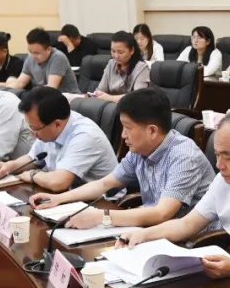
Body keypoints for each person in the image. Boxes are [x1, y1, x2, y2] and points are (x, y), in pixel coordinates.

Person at [120, 112, 230, 279]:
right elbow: (187, 224)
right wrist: (143, 235)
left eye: (227, 157)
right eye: (217, 155)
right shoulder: (224, 179)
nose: (219, 165)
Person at [28, 88, 214, 228]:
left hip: (192, 241)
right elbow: (104, 184)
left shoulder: (184, 156)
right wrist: (59, 199)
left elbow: (162, 213)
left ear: (152, 131)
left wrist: (102, 217)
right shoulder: (139, 150)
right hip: (152, 229)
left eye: (128, 128)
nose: (123, 135)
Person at [0, 88, 115, 192]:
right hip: (68, 195)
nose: (32, 133)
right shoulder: (48, 125)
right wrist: (9, 166)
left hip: (102, 203)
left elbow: (58, 182)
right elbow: (33, 159)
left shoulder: (85, 136)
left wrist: (33, 175)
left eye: (35, 129)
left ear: (57, 124)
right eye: (30, 127)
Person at [14, 28, 78, 94]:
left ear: (48, 49)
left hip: (68, 97)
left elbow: (51, 87)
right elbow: (20, 83)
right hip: (45, 96)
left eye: (37, 53)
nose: (33, 56)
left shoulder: (58, 57)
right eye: (30, 52)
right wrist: (9, 90)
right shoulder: (30, 58)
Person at [93, 30, 149, 102]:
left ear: (132, 50)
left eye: (120, 52)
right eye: (113, 51)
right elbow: (101, 89)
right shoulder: (111, 63)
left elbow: (138, 97)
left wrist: (110, 98)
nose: (116, 56)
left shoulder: (142, 68)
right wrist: (97, 94)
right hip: (109, 106)